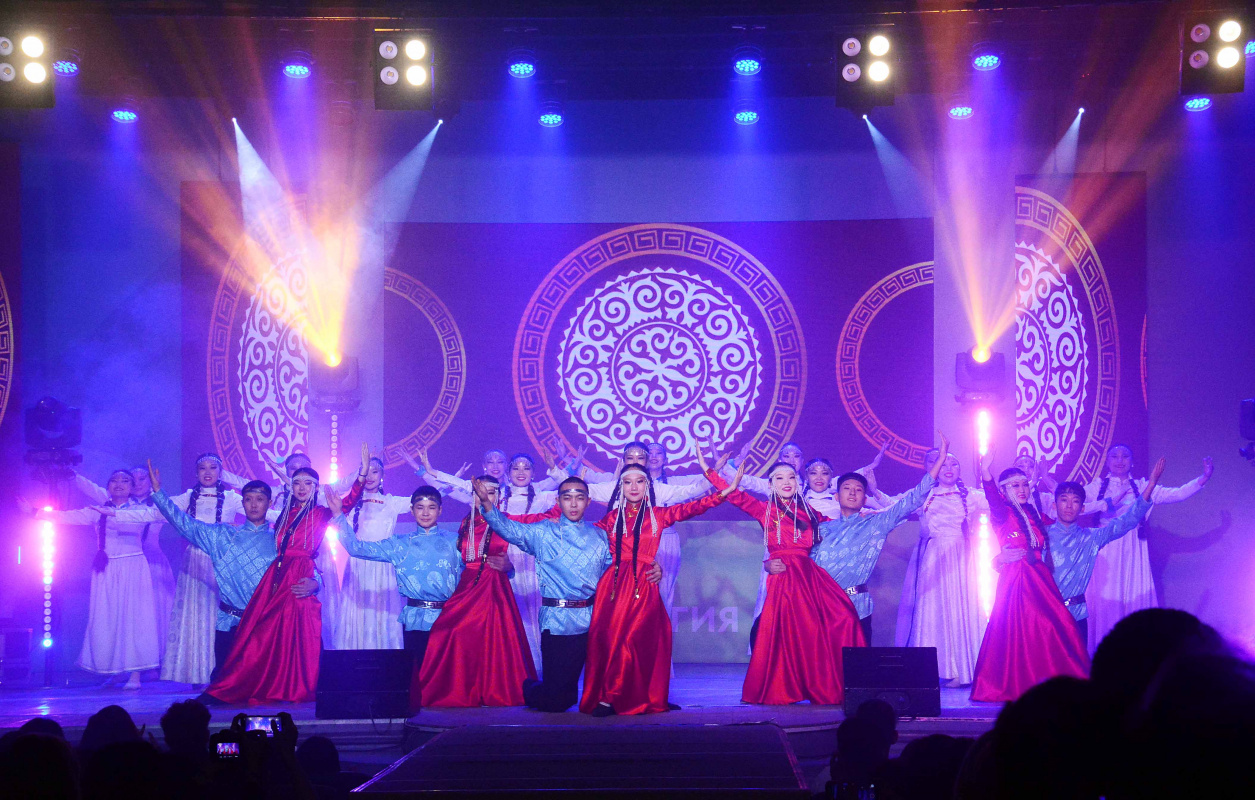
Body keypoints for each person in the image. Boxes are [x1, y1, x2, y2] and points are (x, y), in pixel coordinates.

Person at [715, 446, 898, 705]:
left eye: (791, 477)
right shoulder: (765, 509)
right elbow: (734, 494)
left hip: (810, 577)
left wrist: (865, 516)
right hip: (783, 578)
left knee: (829, 626)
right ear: (771, 484)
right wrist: (713, 473)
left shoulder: (809, 512)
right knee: (774, 632)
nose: (787, 482)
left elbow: (838, 524)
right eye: (780, 478)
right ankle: (779, 687)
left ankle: (826, 686)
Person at [580, 447, 741, 716]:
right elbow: (583, 540)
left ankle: (651, 697)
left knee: (646, 638)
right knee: (616, 639)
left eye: (639, 481)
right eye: (627, 482)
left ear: (648, 485)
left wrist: (724, 491)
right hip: (615, 586)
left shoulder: (658, 515)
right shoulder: (611, 518)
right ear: (620, 487)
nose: (633, 487)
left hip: (645, 583)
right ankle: (609, 697)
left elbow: (694, 506)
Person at [204, 454, 364, 704]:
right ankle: (247, 685)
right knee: (266, 634)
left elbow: (348, 502)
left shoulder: (321, 514)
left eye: (308, 483)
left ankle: (306, 687)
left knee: (303, 632)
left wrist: (361, 477)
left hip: (299, 575)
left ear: (316, 488)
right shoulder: (283, 515)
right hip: (277, 577)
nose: (302, 488)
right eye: (297, 483)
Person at [146, 463, 318, 685]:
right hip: (230, 623)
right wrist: (158, 493)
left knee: (264, 691)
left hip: (266, 625)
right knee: (223, 687)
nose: (254, 504)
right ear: (242, 503)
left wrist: (315, 583)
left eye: (260, 499)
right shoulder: (222, 536)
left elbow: (305, 564)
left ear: (269, 503)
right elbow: (184, 523)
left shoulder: (279, 539)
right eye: (248, 499)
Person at [478, 476, 614, 712]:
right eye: (567, 498)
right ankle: (528, 688)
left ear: (588, 501)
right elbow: (510, 529)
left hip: (591, 620)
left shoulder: (600, 536)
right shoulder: (544, 532)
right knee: (557, 701)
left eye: (579, 498)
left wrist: (651, 568)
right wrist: (487, 505)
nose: (573, 504)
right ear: (558, 501)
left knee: (584, 692)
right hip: (557, 620)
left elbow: (615, 572)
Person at [418, 475, 552, 708]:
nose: (483, 497)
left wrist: (510, 568)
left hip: (492, 587)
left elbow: (537, 520)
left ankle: (487, 690)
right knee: (445, 631)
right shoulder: (465, 522)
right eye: (479, 493)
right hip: (467, 586)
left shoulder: (505, 520)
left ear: (497, 497)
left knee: (487, 638)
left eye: (489, 493)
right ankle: (459, 689)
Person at [112, 453, 245, 686]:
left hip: (224, 562)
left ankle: (226, 674)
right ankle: (200, 673)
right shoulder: (188, 497)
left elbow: (259, 512)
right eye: (202, 468)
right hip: (195, 562)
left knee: (223, 617)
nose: (207, 472)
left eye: (213, 467)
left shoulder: (232, 498)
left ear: (220, 472)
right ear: (196, 473)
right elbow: (155, 513)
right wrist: (117, 513)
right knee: (197, 617)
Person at [970, 453, 1088, 703]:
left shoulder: (1034, 514)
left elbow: (1061, 522)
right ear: (1004, 491)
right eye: (1015, 485)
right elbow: (992, 497)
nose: (1022, 489)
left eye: (1025, 484)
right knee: (1021, 630)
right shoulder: (1002, 513)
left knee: (1056, 626)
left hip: (1040, 578)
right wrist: (986, 472)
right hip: (1017, 580)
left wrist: (1052, 485)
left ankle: (1056, 682)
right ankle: (1019, 683)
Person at [811, 434, 950, 645]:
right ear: (836, 496)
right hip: (821, 606)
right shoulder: (822, 529)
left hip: (856, 607)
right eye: (847, 488)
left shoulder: (876, 524)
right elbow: (808, 566)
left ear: (864, 499)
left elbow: (913, 500)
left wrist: (939, 461)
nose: (852, 493)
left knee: (857, 663)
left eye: (858, 490)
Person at [29, 471, 161, 690]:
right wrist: (35, 512)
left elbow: (161, 514)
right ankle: (115, 671)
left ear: (132, 488)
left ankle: (135, 675)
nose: (119, 484)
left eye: (125, 481)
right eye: (114, 480)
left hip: (133, 568)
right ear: (107, 487)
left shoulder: (140, 510)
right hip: (106, 569)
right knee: (107, 619)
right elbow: (68, 516)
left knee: (135, 620)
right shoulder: (97, 511)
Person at [332, 480, 462, 701]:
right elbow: (356, 548)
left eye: (431, 507)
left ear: (440, 510)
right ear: (411, 510)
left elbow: (476, 571)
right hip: (415, 620)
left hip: (448, 619)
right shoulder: (400, 544)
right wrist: (337, 515)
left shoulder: (455, 542)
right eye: (420, 507)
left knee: (449, 687)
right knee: (417, 688)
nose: (425, 513)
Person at [1081, 445, 1213, 651]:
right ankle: (1104, 651)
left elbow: (1177, 494)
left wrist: (1203, 479)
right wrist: (1044, 478)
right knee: (1106, 599)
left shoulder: (1144, 486)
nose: (1119, 460)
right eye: (1114, 456)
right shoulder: (1096, 487)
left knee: (1134, 596)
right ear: (1107, 462)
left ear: (1132, 462)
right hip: (1106, 550)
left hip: (1134, 549)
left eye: (1125, 456)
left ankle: (1137, 652)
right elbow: (1070, 501)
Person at [1022, 460, 1162, 642]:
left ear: (1082, 508)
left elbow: (1126, 522)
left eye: (1075, 501)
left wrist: (1151, 485)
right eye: (1064, 500)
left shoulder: (1091, 538)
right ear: (1055, 505)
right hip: (1045, 614)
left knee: (1076, 661)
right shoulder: (1041, 536)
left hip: (1076, 617)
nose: (1069, 506)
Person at [894, 448, 988, 687]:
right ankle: (934, 669)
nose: (948, 469)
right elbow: (895, 506)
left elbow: (998, 503)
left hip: (961, 559)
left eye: (954, 465)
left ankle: (962, 669)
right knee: (933, 611)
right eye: (943, 464)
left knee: (961, 609)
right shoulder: (925, 495)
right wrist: (873, 493)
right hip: (934, 558)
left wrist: (990, 472)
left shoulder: (971, 495)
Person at [333, 454, 411, 651]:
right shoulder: (350, 503)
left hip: (383, 566)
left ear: (382, 475)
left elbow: (424, 500)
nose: (369, 476)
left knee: (382, 609)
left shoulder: (391, 502)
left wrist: (427, 473)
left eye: (374, 472)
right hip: (358, 566)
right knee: (357, 609)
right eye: (365, 472)